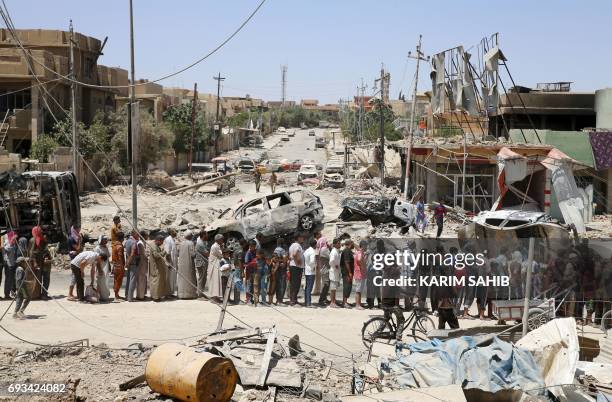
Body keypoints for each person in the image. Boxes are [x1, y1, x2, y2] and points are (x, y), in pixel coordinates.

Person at [29, 226, 51, 300]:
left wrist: (46, 256)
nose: (41, 232)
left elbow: (46, 250)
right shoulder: (33, 240)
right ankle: (36, 294)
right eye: (40, 231)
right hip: (37, 262)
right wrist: (34, 262)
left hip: (44, 262)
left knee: (46, 278)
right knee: (37, 279)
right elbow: (31, 252)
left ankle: (44, 294)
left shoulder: (43, 239)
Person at [148, 234, 169, 302]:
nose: (162, 243)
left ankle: (155, 295)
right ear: (158, 240)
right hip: (155, 267)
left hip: (157, 266)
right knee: (156, 282)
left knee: (156, 281)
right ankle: (155, 297)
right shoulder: (154, 246)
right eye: (162, 241)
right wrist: (164, 252)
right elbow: (156, 255)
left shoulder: (155, 245)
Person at [177, 230, 197, 299]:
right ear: (190, 236)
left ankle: (181, 294)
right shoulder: (190, 243)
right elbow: (193, 254)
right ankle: (189, 294)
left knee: (182, 278)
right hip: (189, 264)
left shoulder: (181, 243)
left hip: (182, 264)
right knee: (189, 278)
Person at [206, 234, 224, 302]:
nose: (222, 241)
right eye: (222, 239)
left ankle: (216, 297)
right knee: (215, 281)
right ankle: (215, 298)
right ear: (218, 240)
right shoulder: (215, 246)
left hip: (216, 264)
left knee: (216, 281)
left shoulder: (217, 246)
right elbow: (221, 255)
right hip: (214, 265)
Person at [124, 231, 141, 302]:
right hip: (133, 262)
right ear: (134, 234)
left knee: (128, 280)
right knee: (132, 281)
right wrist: (128, 262)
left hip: (129, 262)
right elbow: (132, 253)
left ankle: (127, 295)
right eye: (137, 234)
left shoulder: (127, 241)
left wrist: (127, 262)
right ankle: (130, 297)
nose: (139, 235)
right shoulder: (134, 242)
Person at [288, 233, 305, 306]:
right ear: (298, 238)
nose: (303, 238)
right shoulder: (297, 245)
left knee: (293, 283)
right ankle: (293, 301)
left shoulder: (292, 245)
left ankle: (293, 299)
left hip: (293, 266)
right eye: (301, 237)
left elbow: (291, 255)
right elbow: (295, 254)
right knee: (296, 284)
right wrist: (299, 262)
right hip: (296, 267)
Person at [93, 235, 111, 302]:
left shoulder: (105, 247)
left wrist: (109, 266)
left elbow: (108, 258)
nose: (106, 241)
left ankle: (105, 296)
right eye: (105, 240)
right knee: (100, 281)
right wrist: (99, 269)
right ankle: (99, 296)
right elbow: (96, 259)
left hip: (106, 266)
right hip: (100, 266)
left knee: (106, 281)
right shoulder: (97, 248)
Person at [67, 225, 82, 300]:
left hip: (76, 258)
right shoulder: (72, 238)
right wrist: (79, 240)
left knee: (76, 276)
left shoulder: (74, 237)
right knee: (74, 276)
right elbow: (78, 248)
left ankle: (72, 293)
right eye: (78, 228)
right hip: (74, 259)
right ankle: (69, 294)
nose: (79, 230)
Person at [164, 228, 178, 297]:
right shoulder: (168, 239)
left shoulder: (172, 239)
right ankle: (167, 293)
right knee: (169, 278)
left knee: (173, 278)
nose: (176, 232)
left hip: (173, 262)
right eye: (175, 231)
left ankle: (171, 292)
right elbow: (167, 252)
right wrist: (168, 262)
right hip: (170, 262)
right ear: (171, 232)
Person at [272, 239, 288, 305]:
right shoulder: (282, 250)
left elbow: (274, 258)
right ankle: (280, 301)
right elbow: (284, 257)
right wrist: (284, 263)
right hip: (281, 269)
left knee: (278, 284)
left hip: (276, 268)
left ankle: (278, 300)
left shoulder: (275, 249)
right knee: (282, 284)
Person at [3, 231, 18, 299]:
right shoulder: (7, 243)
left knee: (13, 279)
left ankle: (12, 292)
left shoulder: (14, 243)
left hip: (13, 264)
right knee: (8, 280)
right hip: (9, 264)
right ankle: (6, 294)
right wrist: (11, 242)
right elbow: (6, 250)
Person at [195, 230, 210, 297]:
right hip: (201, 263)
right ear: (203, 235)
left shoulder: (203, 242)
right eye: (206, 234)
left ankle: (201, 293)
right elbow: (207, 254)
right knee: (201, 278)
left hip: (203, 263)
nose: (207, 236)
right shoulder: (200, 243)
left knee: (204, 278)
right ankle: (200, 294)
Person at [111, 231, 126, 300]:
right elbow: (120, 257)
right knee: (118, 281)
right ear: (122, 238)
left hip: (115, 265)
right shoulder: (120, 246)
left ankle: (116, 294)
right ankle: (116, 296)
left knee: (115, 280)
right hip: (119, 266)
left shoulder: (114, 245)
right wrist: (122, 266)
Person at [340, 239, 354, 307]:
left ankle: (344, 301)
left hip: (347, 272)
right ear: (350, 244)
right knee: (347, 286)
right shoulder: (347, 251)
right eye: (353, 243)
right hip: (346, 272)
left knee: (347, 286)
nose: (353, 245)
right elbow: (346, 262)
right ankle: (344, 302)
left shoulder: (348, 250)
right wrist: (350, 272)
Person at [353, 240, 367, 310]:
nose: (367, 247)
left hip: (361, 273)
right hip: (359, 273)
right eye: (366, 245)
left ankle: (359, 303)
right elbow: (359, 260)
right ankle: (357, 305)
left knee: (360, 289)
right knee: (358, 290)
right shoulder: (360, 252)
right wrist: (362, 266)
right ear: (363, 246)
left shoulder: (360, 252)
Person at [317, 238, 331, 307]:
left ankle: (324, 298)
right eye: (326, 242)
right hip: (325, 269)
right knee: (326, 284)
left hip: (324, 268)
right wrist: (330, 248)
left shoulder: (322, 249)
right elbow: (330, 257)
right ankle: (321, 300)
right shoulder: (324, 250)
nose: (328, 243)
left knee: (325, 284)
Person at [244, 240, 258, 305]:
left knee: (252, 285)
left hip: (253, 271)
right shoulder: (248, 253)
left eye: (255, 246)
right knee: (248, 285)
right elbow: (246, 263)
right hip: (249, 272)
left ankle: (251, 298)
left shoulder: (254, 252)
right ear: (250, 246)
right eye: (253, 246)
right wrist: (253, 262)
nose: (254, 247)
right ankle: (248, 299)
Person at [328, 238, 341, 308]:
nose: (340, 244)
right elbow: (331, 261)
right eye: (338, 243)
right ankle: (332, 302)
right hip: (333, 271)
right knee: (333, 288)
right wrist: (335, 266)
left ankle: (334, 301)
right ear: (335, 244)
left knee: (334, 288)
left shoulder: (336, 251)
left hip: (336, 271)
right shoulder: (334, 251)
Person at [303, 239, 317, 307]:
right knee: (309, 288)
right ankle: (308, 303)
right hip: (311, 271)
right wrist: (313, 267)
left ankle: (306, 302)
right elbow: (312, 262)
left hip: (306, 270)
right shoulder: (312, 252)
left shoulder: (306, 250)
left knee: (307, 287)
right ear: (315, 245)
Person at [136, 231, 148, 300]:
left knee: (143, 279)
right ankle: (140, 296)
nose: (147, 237)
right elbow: (142, 254)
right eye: (146, 235)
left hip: (143, 262)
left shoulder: (143, 243)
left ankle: (142, 293)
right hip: (141, 263)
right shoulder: (140, 243)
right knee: (141, 279)